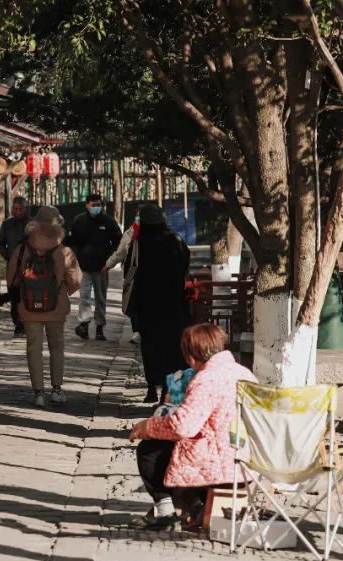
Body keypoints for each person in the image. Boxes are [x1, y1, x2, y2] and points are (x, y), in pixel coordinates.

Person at [128, 323, 256, 529]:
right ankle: (197, 508)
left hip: (219, 467)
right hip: (245, 461)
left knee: (150, 451)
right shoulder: (244, 373)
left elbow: (183, 426)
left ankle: (167, 510)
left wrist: (148, 427)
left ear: (191, 357)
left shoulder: (206, 380)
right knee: (186, 453)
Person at [7, 206, 83, 407]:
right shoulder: (64, 251)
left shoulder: (22, 249)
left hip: (29, 307)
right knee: (56, 347)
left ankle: (38, 393)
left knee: (34, 348)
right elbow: (76, 280)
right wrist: (63, 292)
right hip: (56, 308)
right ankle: (57, 390)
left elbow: (12, 278)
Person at [127, 203, 191, 403]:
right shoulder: (175, 239)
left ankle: (151, 388)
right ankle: (168, 391)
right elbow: (185, 262)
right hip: (173, 304)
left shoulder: (139, 243)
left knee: (150, 347)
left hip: (147, 305)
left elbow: (129, 268)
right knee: (172, 348)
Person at [67, 193, 121, 341]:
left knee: (100, 298)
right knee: (84, 297)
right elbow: (72, 241)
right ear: (87, 205)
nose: (96, 207)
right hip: (83, 266)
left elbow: (118, 241)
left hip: (102, 267)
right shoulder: (79, 221)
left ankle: (99, 327)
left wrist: (110, 258)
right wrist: (76, 256)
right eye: (93, 205)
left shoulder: (108, 222)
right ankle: (84, 324)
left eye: (98, 205)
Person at [0, 196, 30, 336]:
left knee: (27, 296)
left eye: (20, 209)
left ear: (25, 209)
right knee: (15, 296)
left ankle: (24, 324)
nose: (18, 212)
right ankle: (17, 323)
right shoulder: (7, 224)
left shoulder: (32, 224)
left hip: (29, 266)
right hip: (13, 266)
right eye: (15, 209)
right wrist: (9, 256)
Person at [104, 215, 141, 345]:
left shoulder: (133, 232)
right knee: (133, 302)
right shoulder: (130, 233)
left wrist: (108, 264)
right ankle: (137, 331)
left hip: (138, 274)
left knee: (134, 302)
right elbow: (120, 253)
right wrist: (108, 264)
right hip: (134, 274)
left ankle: (139, 331)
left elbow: (120, 253)